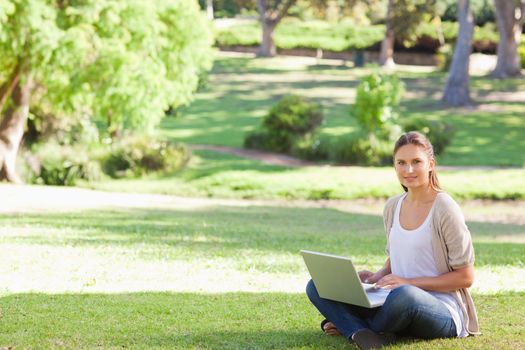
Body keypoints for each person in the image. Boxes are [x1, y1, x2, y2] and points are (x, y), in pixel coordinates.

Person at [306, 131, 480, 349]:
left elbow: (466, 277)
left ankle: (350, 326)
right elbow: (399, 258)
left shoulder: (445, 208)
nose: (408, 170)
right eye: (401, 163)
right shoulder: (393, 206)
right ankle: (366, 331)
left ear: (431, 164)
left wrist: (410, 283)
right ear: (394, 165)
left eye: (416, 162)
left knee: (404, 296)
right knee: (318, 285)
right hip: (392, 298)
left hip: (439, 308)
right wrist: (377, 276)